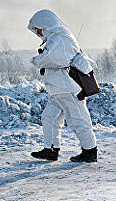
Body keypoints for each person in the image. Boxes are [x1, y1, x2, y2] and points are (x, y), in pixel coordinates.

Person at [28, 9, 98, 162]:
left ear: (46, 24)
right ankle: (51, 149)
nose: (38, 33)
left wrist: (37, 61)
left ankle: (90, 151)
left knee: (78, 119)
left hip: (68, 88)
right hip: (58, 89)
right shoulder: (55, 39)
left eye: (38, 29)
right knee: (49, 118)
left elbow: (52, 58)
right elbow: (53, 60)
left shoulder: (61, 38)